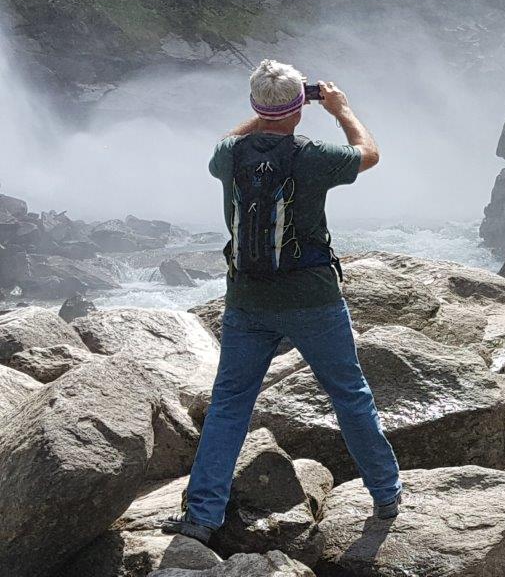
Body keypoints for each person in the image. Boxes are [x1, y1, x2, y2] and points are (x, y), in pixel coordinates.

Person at [161, 60, 401, 545]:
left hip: (247, 299)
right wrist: (339, 108)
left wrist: (266, 112)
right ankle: (385, 493)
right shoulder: (312, 156)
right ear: (299, 110)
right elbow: (369, 153)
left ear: (255, 107)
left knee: (230, 404)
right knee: (349, 396)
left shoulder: (229, 155)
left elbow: (225, 142)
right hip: (313, 299)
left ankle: (203, 516)